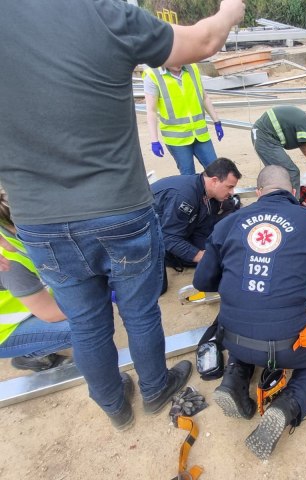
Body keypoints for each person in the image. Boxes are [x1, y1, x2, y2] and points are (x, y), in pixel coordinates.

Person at [0, 0, 246, 431]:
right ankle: (154, 388)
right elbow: (205, 40)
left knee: (86, 321)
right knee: (140, 311)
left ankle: (112, 403)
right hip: (118, 208)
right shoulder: (98, 13)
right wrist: (229, 10)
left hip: (40, 220)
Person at [193, 165, 306, 460]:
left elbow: (202, 282)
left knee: (248, 315)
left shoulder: (228, 223)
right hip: (288, 343)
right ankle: (288, 404)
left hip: (232, 339)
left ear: (258, 193)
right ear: (294, 193)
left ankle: (234, 381)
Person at [0, 190, 73, 372]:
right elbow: (51, 314)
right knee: (85, 324)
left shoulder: (13, 230)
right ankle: (28, 356)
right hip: (5, 332)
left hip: (29, 303)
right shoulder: (10, 263)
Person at [152, 158, 242, 293]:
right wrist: (201, 255)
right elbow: (169, 237)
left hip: (186, 226)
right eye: (229, 187)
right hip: (154, 233)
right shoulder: (186, 197)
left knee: (220, 245)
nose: (232, 192)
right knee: (158, 288)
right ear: (214, 180)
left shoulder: (204, 187)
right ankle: (168, 257)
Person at [144, 63, 224, 175]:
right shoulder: (153, 75)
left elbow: (204, 97)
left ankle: (224, 193)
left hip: (200, 134)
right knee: (188, 175)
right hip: (177, 139)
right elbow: (151, 111)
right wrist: (154, 140)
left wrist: (217, 121)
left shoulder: (192, 68)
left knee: (217, 171)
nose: (179, 63)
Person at [251, 106, 306, 196]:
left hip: (262, 134)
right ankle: (292, 205)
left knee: (279, 174)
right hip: (265, 137)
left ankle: (278, 199)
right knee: (291, 173)